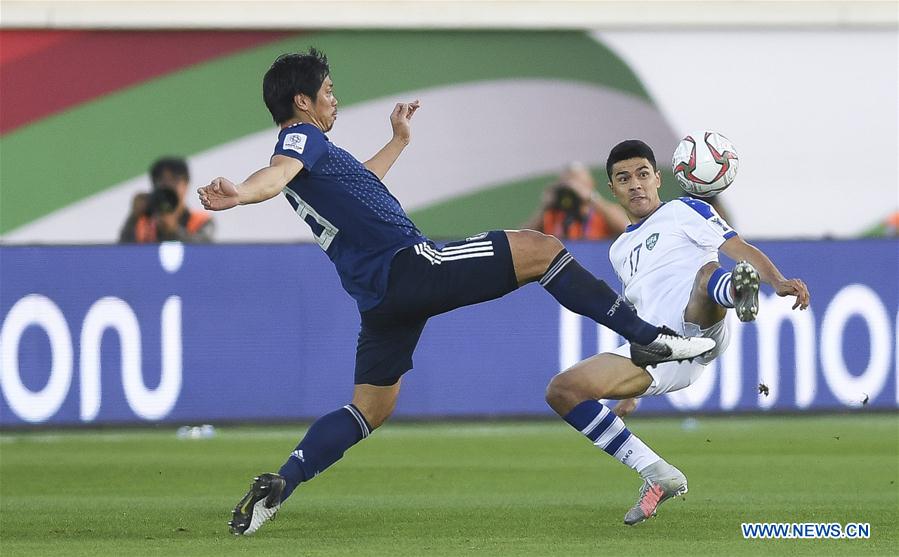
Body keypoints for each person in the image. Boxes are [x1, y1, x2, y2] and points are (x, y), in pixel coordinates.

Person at [197, 50, 716, 536]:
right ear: (301, 102)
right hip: (410, 266)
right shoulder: (299, 140)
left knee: (369, 410)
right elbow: (274, 173)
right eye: (328, 91)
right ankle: (650, 339)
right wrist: (241, 192)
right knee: (540, 248)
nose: (335, 99)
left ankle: (282, 482)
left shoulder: (320, 159)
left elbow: (360, 184)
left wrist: (398, 141)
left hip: (379, 301)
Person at [544, 139, 810, 525]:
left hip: (701, 327)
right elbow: (636, 310)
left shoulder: (687, 210)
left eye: (642, 174)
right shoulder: (619, 249)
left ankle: (738, 291)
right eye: (624, 178)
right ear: (612, 190)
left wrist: (778, 281)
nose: (635, 184)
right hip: (658, 350)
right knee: (563, 390)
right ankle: (658, 473)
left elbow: (738, 247)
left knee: (704, 274)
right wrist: (632, 393)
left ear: (657, 180)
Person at [523, 162, 629, 240]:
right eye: (567, 184)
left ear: (591, 184)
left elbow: (626, 227)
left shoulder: (602, 213)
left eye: (578, 183)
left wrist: (592, 198)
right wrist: (545, 207)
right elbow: (524, 238)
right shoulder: (553, 215)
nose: (573, 189)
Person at [119, 157, 214, 243]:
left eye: (174, 179)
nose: (168, 185)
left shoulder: (201, 220)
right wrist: (134, 216)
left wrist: (173, 231)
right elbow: (124, 251)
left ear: (186, 184)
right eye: (161, 180)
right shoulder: (143, 220)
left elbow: (203, 251)